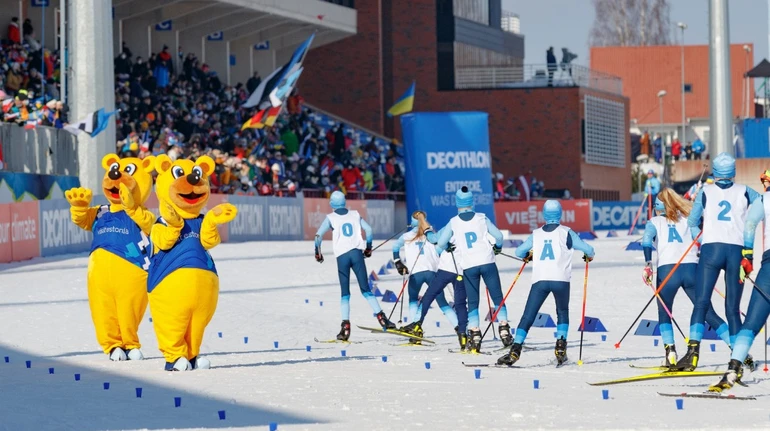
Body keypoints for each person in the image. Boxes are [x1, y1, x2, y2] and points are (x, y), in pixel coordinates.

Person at [675, 152, 761, 371]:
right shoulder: (745, 191)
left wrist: (704, 239)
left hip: (711, 250)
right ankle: (738, 359)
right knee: (732, 308)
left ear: (716, 170)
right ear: (733, 172)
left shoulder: (705, 191)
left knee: (701, 303)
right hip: (736, 251)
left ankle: (692, 354)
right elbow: (763, 204)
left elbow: (693, 223)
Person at [496, 200, 594, 366]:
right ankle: (560, 347)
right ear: (560, 214)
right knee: (562, 312)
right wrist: (588, 256)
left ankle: (515, 350)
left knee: (528, 315)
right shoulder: (566, 232)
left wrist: (531, 253)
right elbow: (588, 250)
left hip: (540, 280)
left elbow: (519, 251)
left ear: (544, 215)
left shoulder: (536, 233)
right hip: (561, 280)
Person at [641, 189, 731, 368]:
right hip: (692, 270)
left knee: (664, 312)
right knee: (708, 313)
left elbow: (646, 242)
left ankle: (670, 353)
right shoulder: (690, 220)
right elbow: (703, 239)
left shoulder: (654, 222)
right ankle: (738, 349)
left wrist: (648, 265)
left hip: (667, 271)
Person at [429, 186, 511, 352]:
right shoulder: (482, 217)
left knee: (473, 302)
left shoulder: (453, 222)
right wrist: (497, 248)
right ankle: (504, 330)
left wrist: (449, 247)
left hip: (469, 266)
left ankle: (474, 334)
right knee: (497, 297)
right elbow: (499, 236)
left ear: (457, 203)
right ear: (471, 201)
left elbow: (441, 243)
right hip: (488, 262)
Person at [710, 170, 770, 391]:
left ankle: (732, 370)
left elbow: (750, 226)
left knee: (751, 325)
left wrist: (747, 257)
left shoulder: (763, 199)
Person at [314, 191, 396, 340]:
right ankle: (382, 319)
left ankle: (345, 328)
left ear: (332, 203)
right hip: (357, 255)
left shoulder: (330, 218)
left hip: (342, 258)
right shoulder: (355, 214)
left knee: (345, 293)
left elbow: (318, 236)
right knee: (366, 290)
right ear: (344, 201)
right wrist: (369, 248)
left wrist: (317, 253)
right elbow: (369, 230)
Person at [393, 211, 460, 345]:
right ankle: (460, 330)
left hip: (415, 274)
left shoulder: (406, 236)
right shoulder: (431, 235)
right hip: (432, 274)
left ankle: (416, 331)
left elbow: (395, 247)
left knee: (413, 300)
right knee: (443, 304)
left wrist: (398, 262)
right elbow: (440, 249)